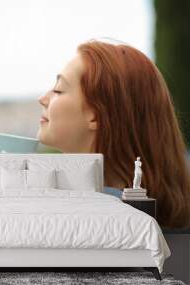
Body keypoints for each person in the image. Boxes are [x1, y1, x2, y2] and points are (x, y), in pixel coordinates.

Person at [37, 39, 190, 229]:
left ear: (97, 115)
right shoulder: (137, 217)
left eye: (59, 90)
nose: (42, 99)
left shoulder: (88, 220)